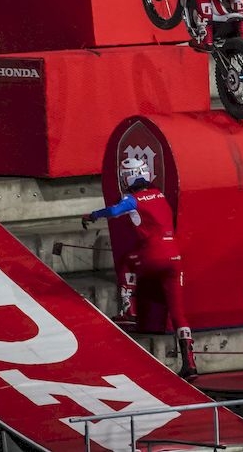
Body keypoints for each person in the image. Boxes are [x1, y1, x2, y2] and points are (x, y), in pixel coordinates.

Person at [84, 157, 197, 378]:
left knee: (127, 261)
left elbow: (114, 211)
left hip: (152, 255)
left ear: (129, 177)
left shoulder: (132, 199)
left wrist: (93, 215)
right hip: (174, 258)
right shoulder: (159, 195)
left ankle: (128, 311)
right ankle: (190, 363)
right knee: (179, 314)